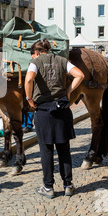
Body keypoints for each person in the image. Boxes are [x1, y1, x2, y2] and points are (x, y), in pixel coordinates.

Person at [24, 39, 84, 198]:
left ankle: (48, 187)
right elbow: (80, 75)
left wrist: (29, 99)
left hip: (44, 110)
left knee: (46, 149)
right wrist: (68, 91)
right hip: (62, 109)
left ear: (36, 53)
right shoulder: (62, 60)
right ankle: (68, 185)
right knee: (64, 149)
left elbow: (29, 79)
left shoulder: (35, 62)